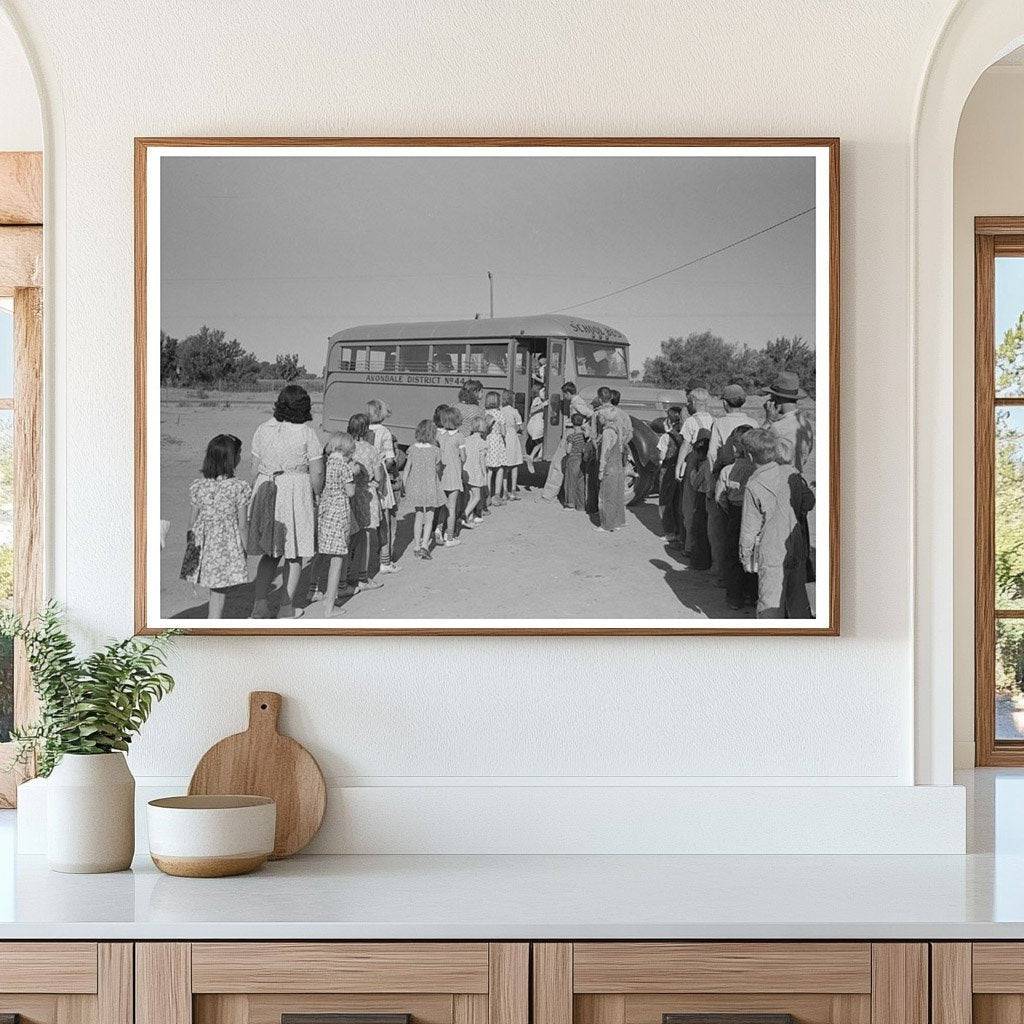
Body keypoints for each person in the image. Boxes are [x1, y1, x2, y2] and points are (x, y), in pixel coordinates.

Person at [249, 385, 324, 618]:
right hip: (294, 491)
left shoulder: (263, 429)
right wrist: (317, 494)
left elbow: (253, 467)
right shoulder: (307, 433)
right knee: (294, 552)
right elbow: (317, 472)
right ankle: (286, 607)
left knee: (270, 552)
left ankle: (259, 606)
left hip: (266, 487)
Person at [739, 428, 816, 618]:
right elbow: (809, 502)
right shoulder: (791, 473)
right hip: (796, 545)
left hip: (771, 551)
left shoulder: (754, 484)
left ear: (750, 456)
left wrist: (745, 555)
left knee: (770, 602)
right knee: (798, 599)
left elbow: (749, 528)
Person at [187, 434, 250, 619]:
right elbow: (242, 525)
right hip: (225, 547)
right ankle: (213, 624)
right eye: (239, 453)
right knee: (219, 592)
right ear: (232, 459)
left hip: (203, 544)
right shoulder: (238, 487)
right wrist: (245, 549)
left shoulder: (199, 486)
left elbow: (192, 522)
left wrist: (191, 555)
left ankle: (213, 621)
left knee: (215, 589)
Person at [706, 384, 759, 582]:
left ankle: (721, 573)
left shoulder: (719, 423)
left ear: (724, 403)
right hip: (751, 477)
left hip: (727, 475)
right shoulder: (753, 422)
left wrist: (712, 482)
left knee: (720, 529)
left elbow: (712, 455)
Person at [313, 432, 358, 618]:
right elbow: (350, 491)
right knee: (337, 559)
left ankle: (316, 590)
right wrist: (354, 473)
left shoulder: (327, 462)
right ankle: (330, 606)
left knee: (324, 552)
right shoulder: (344, 466)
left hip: (326, 510)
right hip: (339, 511)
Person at [714, 424, 758, 610]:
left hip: (734, 514)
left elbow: (719, 497)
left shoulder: (727, 470)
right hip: (755, 517)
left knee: (733, 555)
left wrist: (730, 510)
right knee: (753, 555)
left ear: (738, 446)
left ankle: (735, 597)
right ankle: (753, 595)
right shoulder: (758, 469)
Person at [346, 413, 386, 593]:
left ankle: (346, 573)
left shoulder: (346, 447)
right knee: (366, 537)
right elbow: (378, 475)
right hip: (366, 493)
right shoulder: (370, 449)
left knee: (350, 536)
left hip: (349, 493)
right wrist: (376, 483)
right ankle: (363, 576)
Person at [541, 382, 600, 500]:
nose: (564, 397)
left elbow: (591, 414)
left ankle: (548, 495)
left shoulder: (576, 402)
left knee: (557, 463)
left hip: (570, 432)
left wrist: (584, 426)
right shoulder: (578, 401)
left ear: (568, 393)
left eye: (564, 394)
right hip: (574, 432)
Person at [673, 388, 715, 555]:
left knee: (689, 506)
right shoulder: (714, 419)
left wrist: (678, 465)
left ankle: (690, 546)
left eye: (689, 402)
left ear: (694, 403)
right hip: (709, 463)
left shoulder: (690, 421)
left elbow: (686, 444)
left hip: (694, 461)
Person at [367, 398, 401, 576]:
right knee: (384, 519)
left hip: (364, 477)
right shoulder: (385, 432)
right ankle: (385, 560)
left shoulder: (363, 429)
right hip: (380, 476)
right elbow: (390, 459)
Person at [403, 418, 445, 560]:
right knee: (430, 517)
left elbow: (407, 468)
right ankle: (425, 546)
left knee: (419, 515)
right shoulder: (435, 450)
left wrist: (405, 484)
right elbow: (438, 468)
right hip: (431, 486)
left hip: (416, 486)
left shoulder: (412, 449)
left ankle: (416, 545)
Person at [763, 371, 814, 476]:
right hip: (797, 477)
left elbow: (757, 449)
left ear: (777, 399)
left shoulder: (777, 428)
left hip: (778, 479)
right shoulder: (806, 424)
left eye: (772, 397)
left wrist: (768, 421)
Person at [683, 427, 713, 569]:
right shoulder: (712, 462)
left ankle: (699, 561)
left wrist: (692, 472)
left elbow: (695, 484)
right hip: (711, 499)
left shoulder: (703, 465)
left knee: (699, 530)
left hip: (702, 498)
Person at [436, 405, 465, 546]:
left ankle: (438, 529)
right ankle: (449, 536)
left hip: (441, 474)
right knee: (452, 508)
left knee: (443, 506)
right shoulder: (460, 436)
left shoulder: (439, 436)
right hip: (454, 474)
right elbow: (463, 457)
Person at [596, 408, 626, 531]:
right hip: (618, 467)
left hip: (609, 467)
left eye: (600, 417)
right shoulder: (617, 430)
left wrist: (601, 470)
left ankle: (606, 525)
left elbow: (604, 453)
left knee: (605, 496)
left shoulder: (607, 432)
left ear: (604, 418)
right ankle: (617, 522)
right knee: (617, 495)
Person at [657, 406, 684, 541]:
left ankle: (669, 532)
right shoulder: (684, 435)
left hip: (668, 470)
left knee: (666, 501)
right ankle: (680, 531)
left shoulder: (666, 437)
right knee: (678, 501)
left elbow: (662, 456)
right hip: (682, 470)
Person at [460, 414, 490, 527]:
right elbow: (482, 461)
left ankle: (469, 518)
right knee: (477, 496)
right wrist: (484, 474)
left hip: (466, 470)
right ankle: (464, 515)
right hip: (476, 471)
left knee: (470, 495)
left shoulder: (466, 440)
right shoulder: (483, 443)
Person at [499, 389, 525, 499]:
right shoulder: (514, 411)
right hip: (512, 437)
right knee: (514, 464)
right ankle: (513, 490)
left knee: (505, 466)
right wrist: (518, 430)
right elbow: (520, 426)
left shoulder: (500, 410)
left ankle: (504, 491)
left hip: (503, 437)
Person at [484, 390, 507, 504]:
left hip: (487, 440)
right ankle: (497, 495)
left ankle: (487, 495)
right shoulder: (499, 414)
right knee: (499, 468)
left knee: (488, 470)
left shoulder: (484, 413)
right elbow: (503, 432)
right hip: (497, 442)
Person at [561, 412, 588, 511]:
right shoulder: (584, 436)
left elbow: (568, 450)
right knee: (581, 483)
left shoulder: (571, 437)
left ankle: (570, 504)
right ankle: (581, 505)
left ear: (572, 423)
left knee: (570, 482)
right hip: (582, 459)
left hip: (573, 460)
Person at [525, 387, 548, 472]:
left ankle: (534, 457)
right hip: (535, 426)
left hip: (538, 425)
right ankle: (531, 457)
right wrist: (543, 405)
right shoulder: (537, 400)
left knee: (540, 442)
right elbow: (531, 410)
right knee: (540, 442)